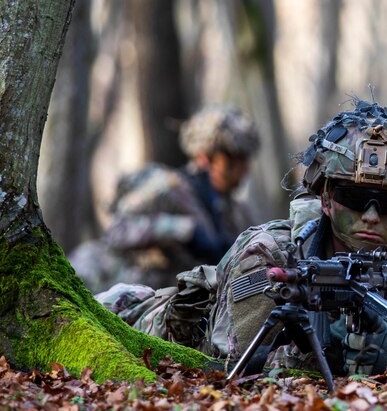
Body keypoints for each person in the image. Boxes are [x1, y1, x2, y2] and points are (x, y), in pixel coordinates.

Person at [99, 99, 387, 379]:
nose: (370, 215)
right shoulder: (271, 253)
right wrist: (336, 344)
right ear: (326, 199)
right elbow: (236, 370)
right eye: (353, 197)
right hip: (158, 323)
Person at [71, 104, 261, 292]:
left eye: (245, 159)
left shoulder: (235, 211)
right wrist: (184, 230)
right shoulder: (168, 188)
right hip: (114, 289)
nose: (244, 168)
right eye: (233, 159)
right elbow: (117, 231)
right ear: (205, 157)